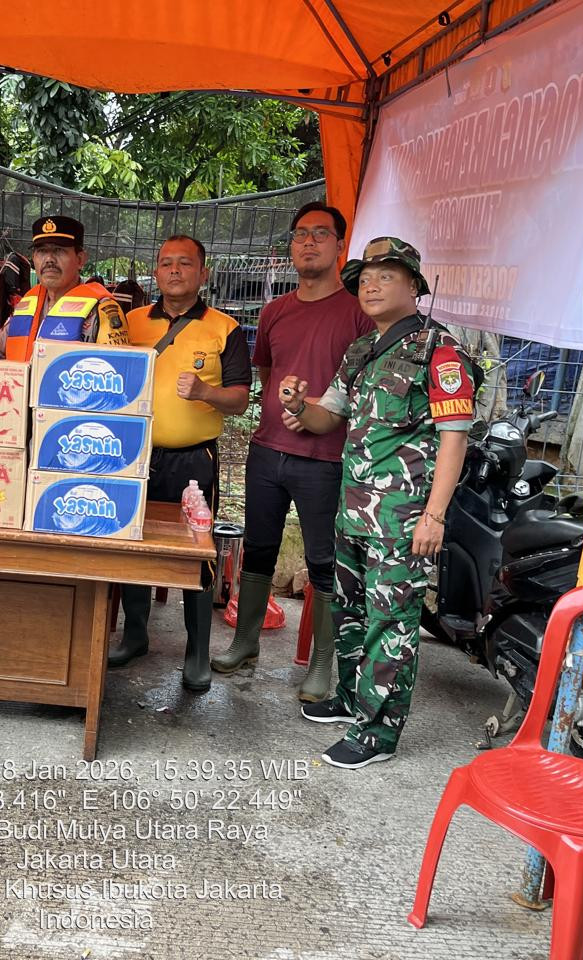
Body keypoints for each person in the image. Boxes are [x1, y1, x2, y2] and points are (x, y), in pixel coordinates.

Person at [284, 237, 473, 769]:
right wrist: (303, 404)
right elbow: (328, 417)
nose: (370, 284)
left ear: (414, 286)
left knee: (391, 622)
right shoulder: (362, 349)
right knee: (350, 610)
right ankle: (350, 697)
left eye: (386, 276)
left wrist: (433, 516)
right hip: (355, 509)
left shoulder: (441, 350)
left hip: (402, 517)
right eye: (365, 277)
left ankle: (379, 733)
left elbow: (454, 436)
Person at [210, 202, 372, 704]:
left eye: (320, 234)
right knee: (258, 549)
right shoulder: (275, 311)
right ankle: (245, 643)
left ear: (340, 245)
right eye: (300, 234)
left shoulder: (359, 314)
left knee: (324, 561)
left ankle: (322, 664)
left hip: (326, 457)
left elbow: (364, 392)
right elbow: (266, 375)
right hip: (267, 450)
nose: (308, 243)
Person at [110, 235, 251, 691]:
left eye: (185, 264)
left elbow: (240, 399)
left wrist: (207, 393)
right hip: (133, 453)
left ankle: (196, 651)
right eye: (166, 263)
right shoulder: (129, 323)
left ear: (203, 273)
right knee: (132, 543)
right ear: (156, 272)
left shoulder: (224, 328)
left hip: (195, 460)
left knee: (197, 553)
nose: (175, 271)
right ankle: (134, 635)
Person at [0, 215, 129, 362]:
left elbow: (118, 371)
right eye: (41, 251)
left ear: (80, 260)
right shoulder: (25, 306)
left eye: (59, 250)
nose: (49, 259)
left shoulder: (102, 310)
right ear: (33, 258)